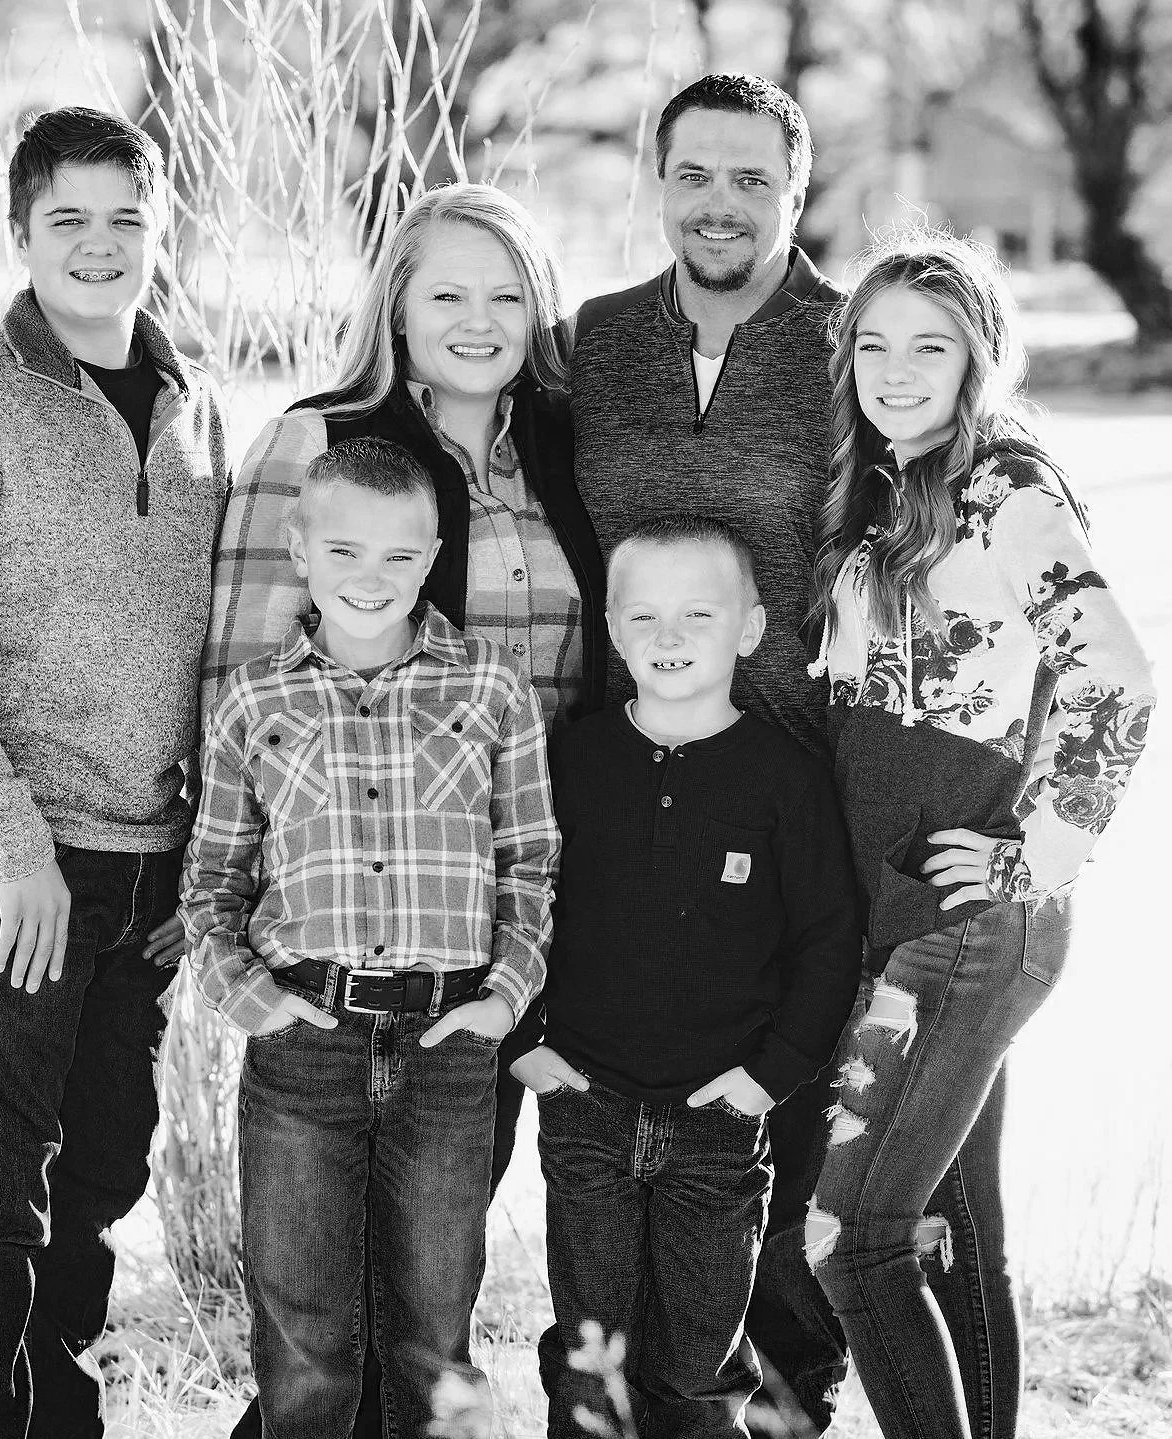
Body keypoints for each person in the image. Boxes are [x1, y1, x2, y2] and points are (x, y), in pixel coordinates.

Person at [206, 181, 604, 1437]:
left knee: (435, 1262)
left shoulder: (562, 447)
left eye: (504, 295)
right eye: (445, 292)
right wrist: (224, 941)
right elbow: (240, 678)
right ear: (395, 302)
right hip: (329, 917)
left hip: (499, 907)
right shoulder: (319, 442)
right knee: (319, 1299)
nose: (476, 320)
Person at [0, 107, 228, 1438]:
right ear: (19, 234)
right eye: (66, 218)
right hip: (2, 867)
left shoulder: (197, 405)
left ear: (158, 229)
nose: (98, 244)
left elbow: (212, 644)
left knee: (97, 1185)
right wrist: (14, 846)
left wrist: (207, 852)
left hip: (145, 872)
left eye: (125, 218)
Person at [801, 230, 1157, 1439]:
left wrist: (1029, 857)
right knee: (951, 1233)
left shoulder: (1003, 488)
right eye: (873, 344)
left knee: (850, 1239)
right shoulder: (888, 487)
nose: (896, 370)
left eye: (930, 346)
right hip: (904, 907)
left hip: (963, 925)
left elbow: (1116, 675)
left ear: (977, 360)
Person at [568, 73, 850, 1433]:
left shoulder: (849, 340)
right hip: (630, 782)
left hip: (798, 786)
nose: (719, 202)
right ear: (657, 178)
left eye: (751, 177)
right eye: (693, 173)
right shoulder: (599, 338)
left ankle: (783, 1411)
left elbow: (962, 462)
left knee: (781, 1164)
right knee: (624, 1172)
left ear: (794, 190)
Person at [181, 437, 560, 1439]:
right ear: (299, 550)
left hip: (447, 1046)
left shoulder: (489, 689)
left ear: (433, 555)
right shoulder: (254, 701)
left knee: (431, 1325)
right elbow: (212, 880)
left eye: (398, 555)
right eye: (343, 550)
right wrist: (248, 995)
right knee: (305, 1331)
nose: (369, 577)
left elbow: (530, 861)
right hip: (302, 1041)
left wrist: (504, 994)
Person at [512, 515, 861, 1438]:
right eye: (645, 617)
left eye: (697, 616)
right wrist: (522, 1047)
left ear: (747, 628)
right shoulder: (574, 759)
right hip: (585, 1102)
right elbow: (511, 898)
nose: (668, 639)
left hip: (719, 1116)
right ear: (613, 628)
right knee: (591, 1351)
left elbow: (827, 937)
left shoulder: (784, 776)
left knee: (700, 1362)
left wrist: (769, 1075)